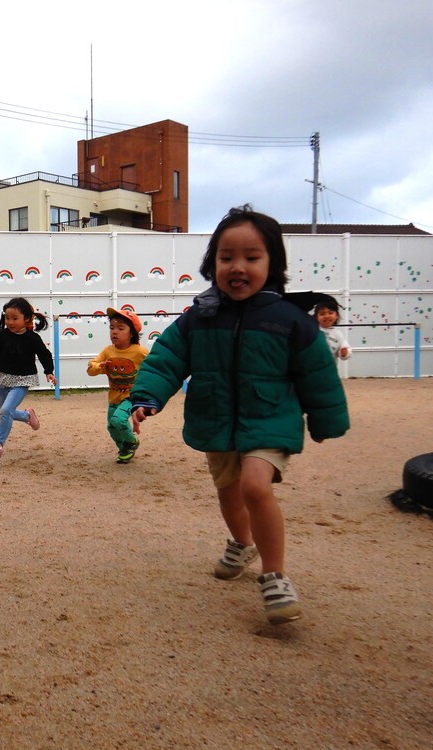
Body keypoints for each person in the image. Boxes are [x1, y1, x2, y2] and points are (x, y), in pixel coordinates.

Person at [128, 205, 349, 625]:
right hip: (216, 418)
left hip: (270, 418)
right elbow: (167, 358)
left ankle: (275, 575)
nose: (238, 266)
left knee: (254, 486)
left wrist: (325, 420)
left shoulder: (290, 320)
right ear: (212, 263)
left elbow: (317, 373)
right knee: (228, 491)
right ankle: (242, 543)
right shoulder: (200, 316)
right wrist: (147, 397)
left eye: (252, 257)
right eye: (226, 257)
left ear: (272, 264)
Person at [0, 297, 57, 457]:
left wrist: (49, 371)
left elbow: (44, 355)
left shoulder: (33, 338)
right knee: (6, 411)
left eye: (15, 318)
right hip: (4, 377)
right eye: (7, 318)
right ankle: (28, 416)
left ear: (27, 319)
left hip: (22, 379)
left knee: (6, 410)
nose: (10, 322)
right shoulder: (3, 335)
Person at [86, 308, 149, 463]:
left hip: (131, 396)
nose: (115, 331)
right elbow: (90, 369)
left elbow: (154, 366)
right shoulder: (108, 352)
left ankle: (131, 442)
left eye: (121, 328)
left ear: (132, 333)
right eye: (112, 328)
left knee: (118, 420)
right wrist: (99, 366)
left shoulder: (139, 352)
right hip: (114, 397)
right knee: (111, 427)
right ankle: (124, 449)